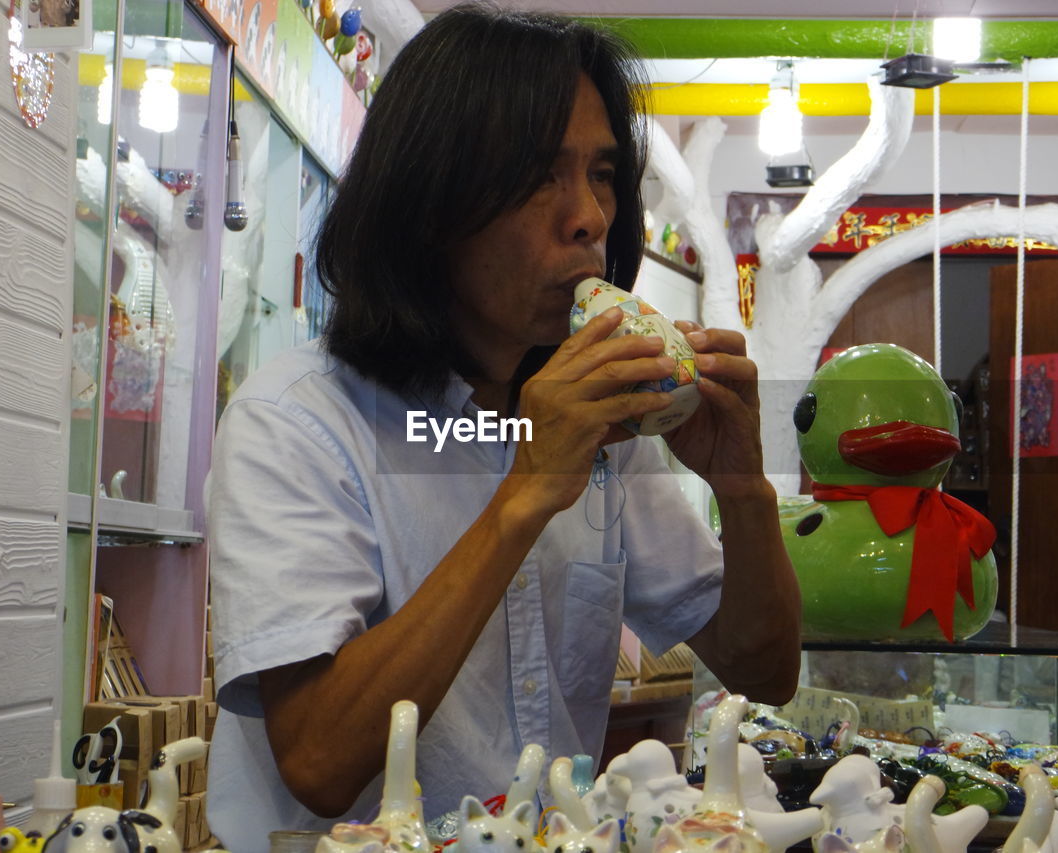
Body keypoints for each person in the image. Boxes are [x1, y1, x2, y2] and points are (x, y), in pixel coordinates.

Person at [205, 4, 801, 850]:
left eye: (601, 173)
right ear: (431, 204)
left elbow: (765, 669)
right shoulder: (296, 421)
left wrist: (742, 485)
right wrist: (524, 490)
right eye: (538, 176)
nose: (590, 216)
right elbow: (318, 759)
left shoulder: (607, 425)